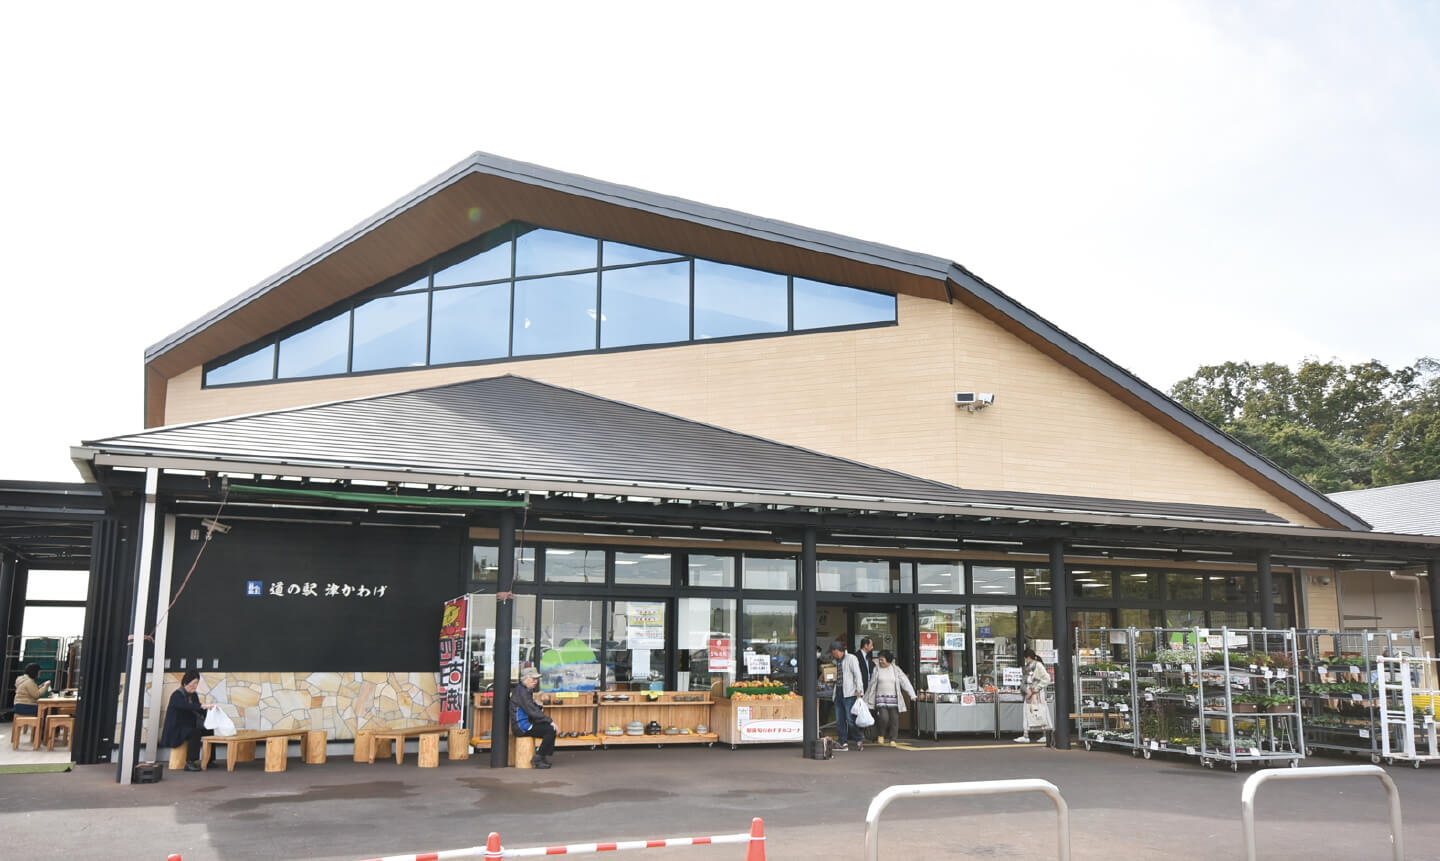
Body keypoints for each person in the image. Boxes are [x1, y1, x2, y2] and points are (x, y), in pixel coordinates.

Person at [161, 670, 218, 771]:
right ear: (185, 683)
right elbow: (187, 706)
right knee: (194, 732)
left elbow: (198, 710)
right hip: (177, 728)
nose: (195, 686)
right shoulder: (177, 695)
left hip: (188, 725)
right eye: (193, 684)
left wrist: (210, 711)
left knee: (209, 729)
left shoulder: (194, 695)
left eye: (196, 683)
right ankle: (190, 762)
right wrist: (202, 706)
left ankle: (209, 760)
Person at [863, 650, 917, 746]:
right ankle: (881, 734)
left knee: (894, 720)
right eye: (879, 660)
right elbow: (871, 685)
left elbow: (905, 682)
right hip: (880, 699)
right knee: (884, 718)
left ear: (888, 660)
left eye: (882, 660)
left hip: (894, 699)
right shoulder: (877, 669)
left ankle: (893, 739)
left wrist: (912, 694)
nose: (880, 662)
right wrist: (865, 699)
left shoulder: (896, 669)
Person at [511, 666, 556, 768]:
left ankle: (542, 756)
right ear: (526, 679)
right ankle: (538, 758)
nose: (536, 681)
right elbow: (531, 711)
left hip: (525, 723)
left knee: (549, 728)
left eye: (537, 679)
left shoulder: (524, 689)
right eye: (533, 679)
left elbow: (531, 706)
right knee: (550, 730)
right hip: (522, 727)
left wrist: (539, 708)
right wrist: (549, 720)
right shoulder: (522, 692)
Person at [829, 640, 864, 751]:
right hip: (838, 693)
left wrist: (860, 690)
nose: (833, 655)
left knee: (850, 719)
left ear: (840, 651)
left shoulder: (851, 658)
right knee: (840, 720)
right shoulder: (836, 661)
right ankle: (843, 743)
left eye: (834, 653)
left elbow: (857, 675)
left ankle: (859, 740)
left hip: (849, 693)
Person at [1015, 649, 1053, 744]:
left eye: (1025, 658)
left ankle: (1044, 734)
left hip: (1036, 694)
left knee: (1041, 711)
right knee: (1033, 711)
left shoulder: (1038, 665)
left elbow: (1047, 678)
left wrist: (1035, 689)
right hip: (1032, 693)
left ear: (1028, 657)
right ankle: (1029, 734)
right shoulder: (1030, 666)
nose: (1025, 660)